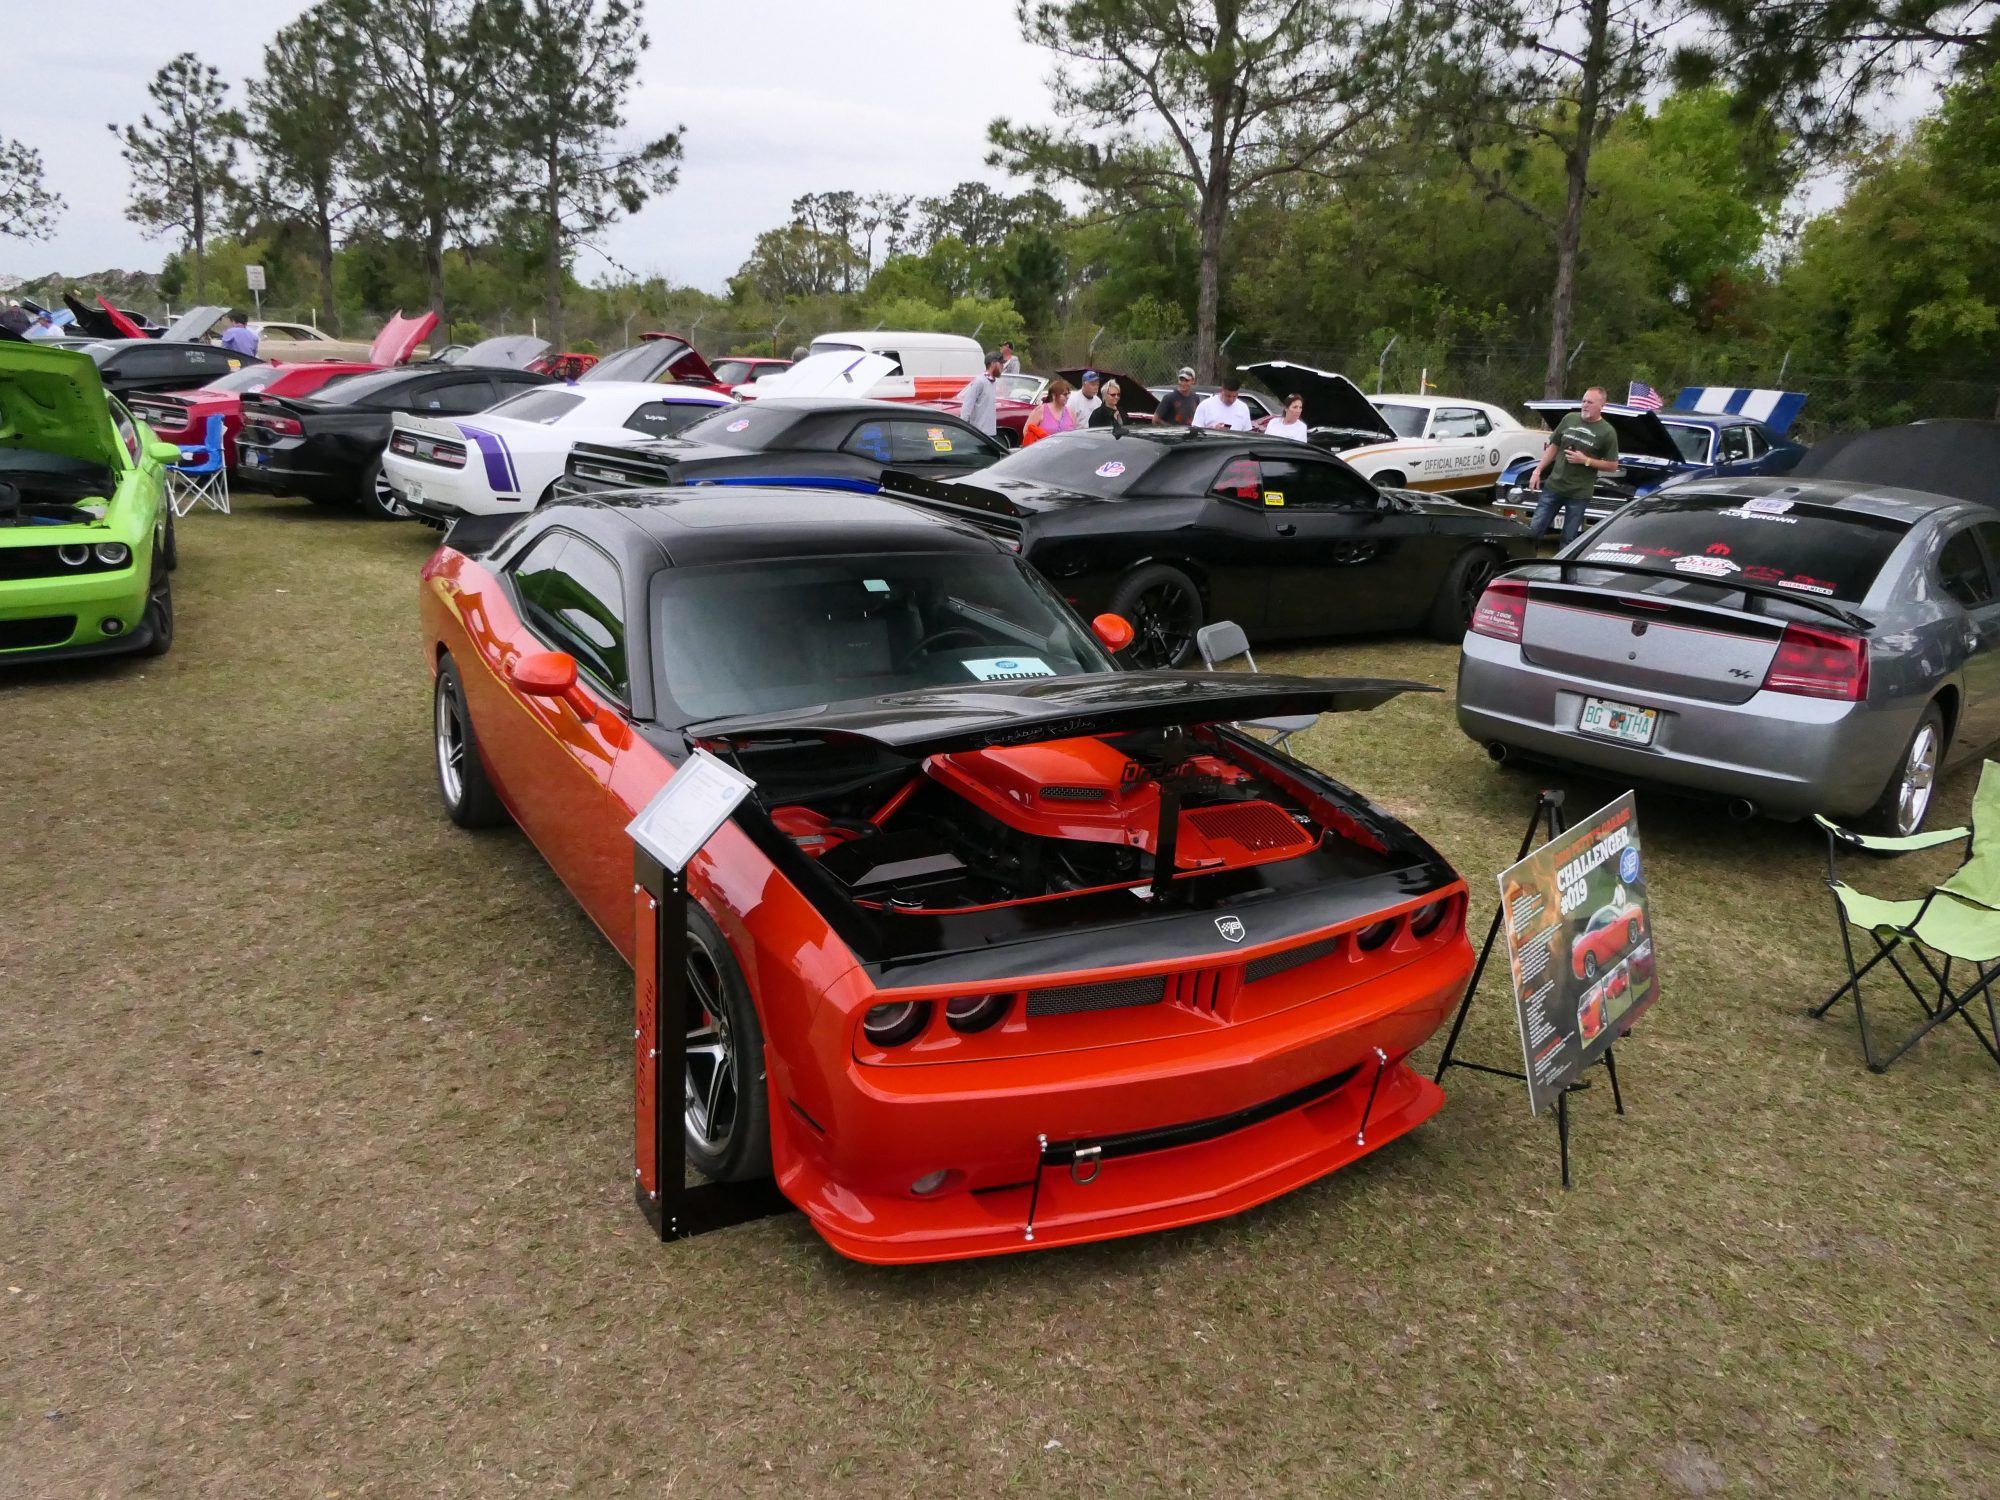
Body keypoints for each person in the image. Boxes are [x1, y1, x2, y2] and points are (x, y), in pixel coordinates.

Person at [1528, 385, 1620, 549]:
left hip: (1578, 494)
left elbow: (1613, 466)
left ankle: (1563, 573)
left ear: (1601, 405)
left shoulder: (1607, 432)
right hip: (1554, 487)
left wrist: (1585, 460)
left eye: (1590, 402)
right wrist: (1537, 470)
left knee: (1568, 540)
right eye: (1583, 401)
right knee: (1533, 531)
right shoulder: (1569, 418)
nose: (1585, 405)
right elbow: (1554, 446)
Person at [954, 350, 1004, 437]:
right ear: (993, 363)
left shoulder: (993, 382)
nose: (1002, 366)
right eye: (1001, 363)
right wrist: (963, 430)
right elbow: (967, 406)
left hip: (991, 433)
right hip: (979, 434)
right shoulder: (979, 381)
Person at [1025, 377, 1075, 444]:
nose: (1068, 397)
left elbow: (1074, 433)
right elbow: (1026, 431)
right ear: (1054, 395)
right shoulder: (1040, 410)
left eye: (1069, 394)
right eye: (1065, 394)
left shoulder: (1070, 412)